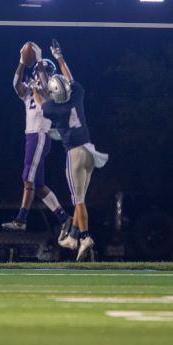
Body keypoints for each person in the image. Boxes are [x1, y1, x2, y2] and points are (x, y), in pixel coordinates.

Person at [33, 41, 108, 261]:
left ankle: (85, 236)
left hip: (74, 154)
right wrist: (59, 58)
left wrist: (36, 88)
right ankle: (73, 236)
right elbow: (70, 79)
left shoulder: (54, 109)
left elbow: (40, 101)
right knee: (81, 197)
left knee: (78, 201)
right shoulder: (77, 95)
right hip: (90, 151)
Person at [2, 42, 72, 241]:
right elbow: (16, 85)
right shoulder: (32, 89)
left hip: (40, 135)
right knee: (39, 184)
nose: (37, 76)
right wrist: (21, 62)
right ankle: (64, 217)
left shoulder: (53, 91)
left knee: (28, 176)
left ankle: (21, 219)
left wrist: (40, 59)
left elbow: (43, 81)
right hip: (30, 136)